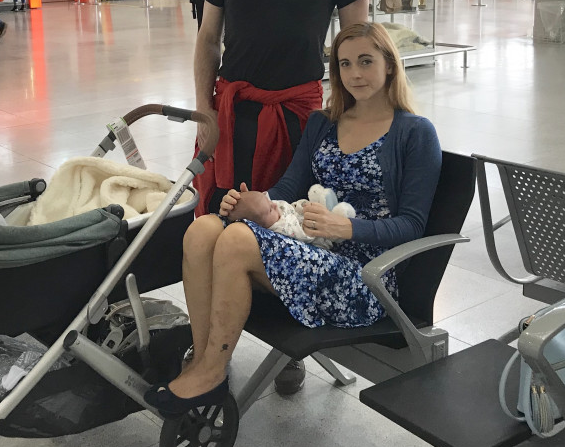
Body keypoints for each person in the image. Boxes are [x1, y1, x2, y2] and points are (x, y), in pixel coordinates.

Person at [147, 22, 441, 416]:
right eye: (345, 64)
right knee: (202, 229)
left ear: (390, 65)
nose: (355, 74)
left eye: (366, 62)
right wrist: (253, 201)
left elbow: (412, 224)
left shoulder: (414, 132)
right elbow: (288, 188)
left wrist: (349, 227)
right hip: (310, 244)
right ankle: (204, 362)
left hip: (363, 276)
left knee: (236, 242)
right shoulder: (324, 122)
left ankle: (210, 374)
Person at [191, 0, 370, 394]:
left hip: (300, 116)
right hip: (237, 111)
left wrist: (356, 117)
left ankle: (287, 347)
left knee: (285, 223)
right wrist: (204, 113)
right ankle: (209, 347)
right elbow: (208, 40)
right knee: (223, 218)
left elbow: (358, 39)